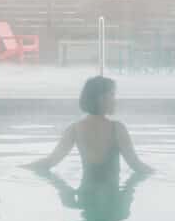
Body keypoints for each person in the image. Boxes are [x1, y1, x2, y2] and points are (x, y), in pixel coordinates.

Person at [25, 76, 153, 180]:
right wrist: (160, 175)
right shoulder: (117, 129)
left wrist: (22, 167)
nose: (115, 100)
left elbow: (50, 162)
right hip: (114, 202)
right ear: (101, 99)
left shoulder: (74, 129)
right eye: (112, 95)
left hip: (85, 198)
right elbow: (136, 166)